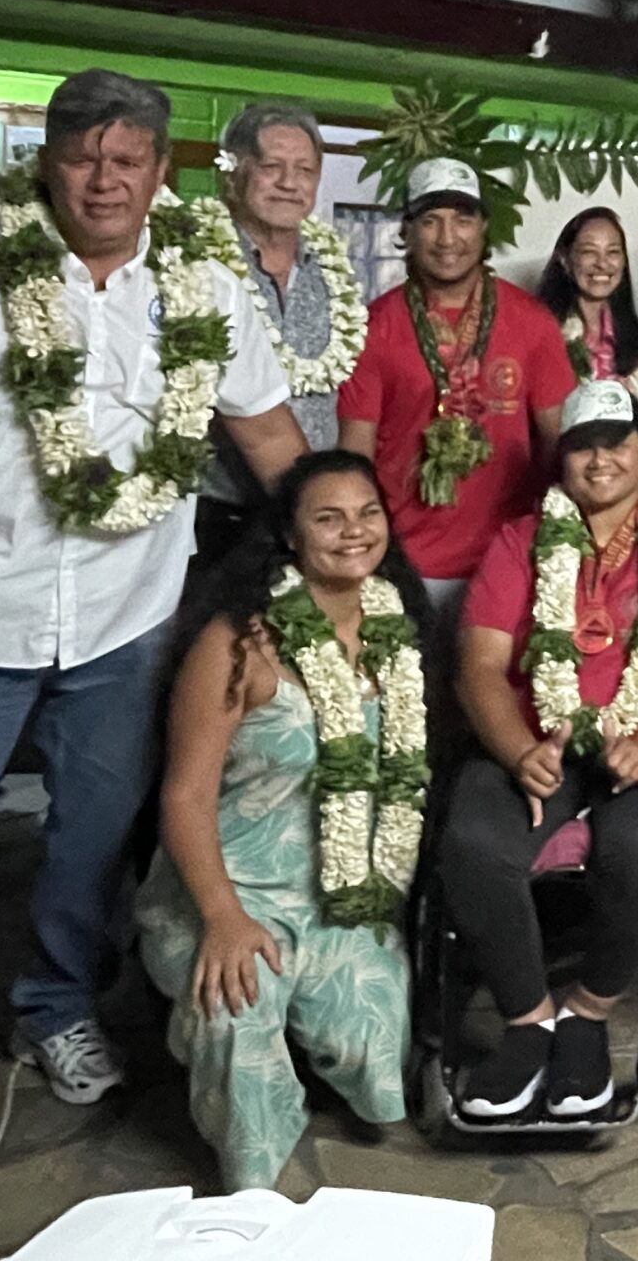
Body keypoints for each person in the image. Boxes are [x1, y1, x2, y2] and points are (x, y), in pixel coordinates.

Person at [0, 70, 309, 1231]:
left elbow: (272, 436)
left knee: (92, 842)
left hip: (126, 622)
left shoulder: (202, 285)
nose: (106, 175)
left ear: (162, 169)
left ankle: (56, 1004)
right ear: (47, 160)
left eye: (130, 156)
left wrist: (352, 576)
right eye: (84, 152)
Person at [437, 379, 638, 1119]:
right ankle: (527, 1019)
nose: (599, 458)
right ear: (560, 461)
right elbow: (478, 665)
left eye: (615, 442)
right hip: (533, 735)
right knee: (475, 839)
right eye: (582, 445)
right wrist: (517, 752)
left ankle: (588, 1010)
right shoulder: (520, 542)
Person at [138, 451, 428, 1189]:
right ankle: (251, 1180)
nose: (353, 532)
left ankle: (312, 1039)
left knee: (374, 1056)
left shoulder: (399, 630)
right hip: (230, 886)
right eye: (327, 518)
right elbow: (183, 798)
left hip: (339, 892)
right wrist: (222, 918)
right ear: (291, 538)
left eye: (367, 513)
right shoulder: (238, 644)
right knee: (239, 1010)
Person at [337, 159, 573, 623]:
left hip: (505, 560)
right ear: (406, 231)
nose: (448, 239)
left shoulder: (531, 322)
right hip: (402, 563)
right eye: (431, 221)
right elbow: (355, 457)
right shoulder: (373, 327)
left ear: (484, 228)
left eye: (463, 220)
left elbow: (560, 443)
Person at [193, 106, 365, 571]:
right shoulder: (194, 262)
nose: (290, 183)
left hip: (316, 517)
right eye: (272, 167)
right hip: (217, 515)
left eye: (304, 170)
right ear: (235, 172)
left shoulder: (334, 269)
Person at [538, 206, 638, 420]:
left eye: (612, 252)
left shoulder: (633, 333)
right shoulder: (544, 331)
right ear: (565, 260)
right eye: (589, 252)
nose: (602, 264)